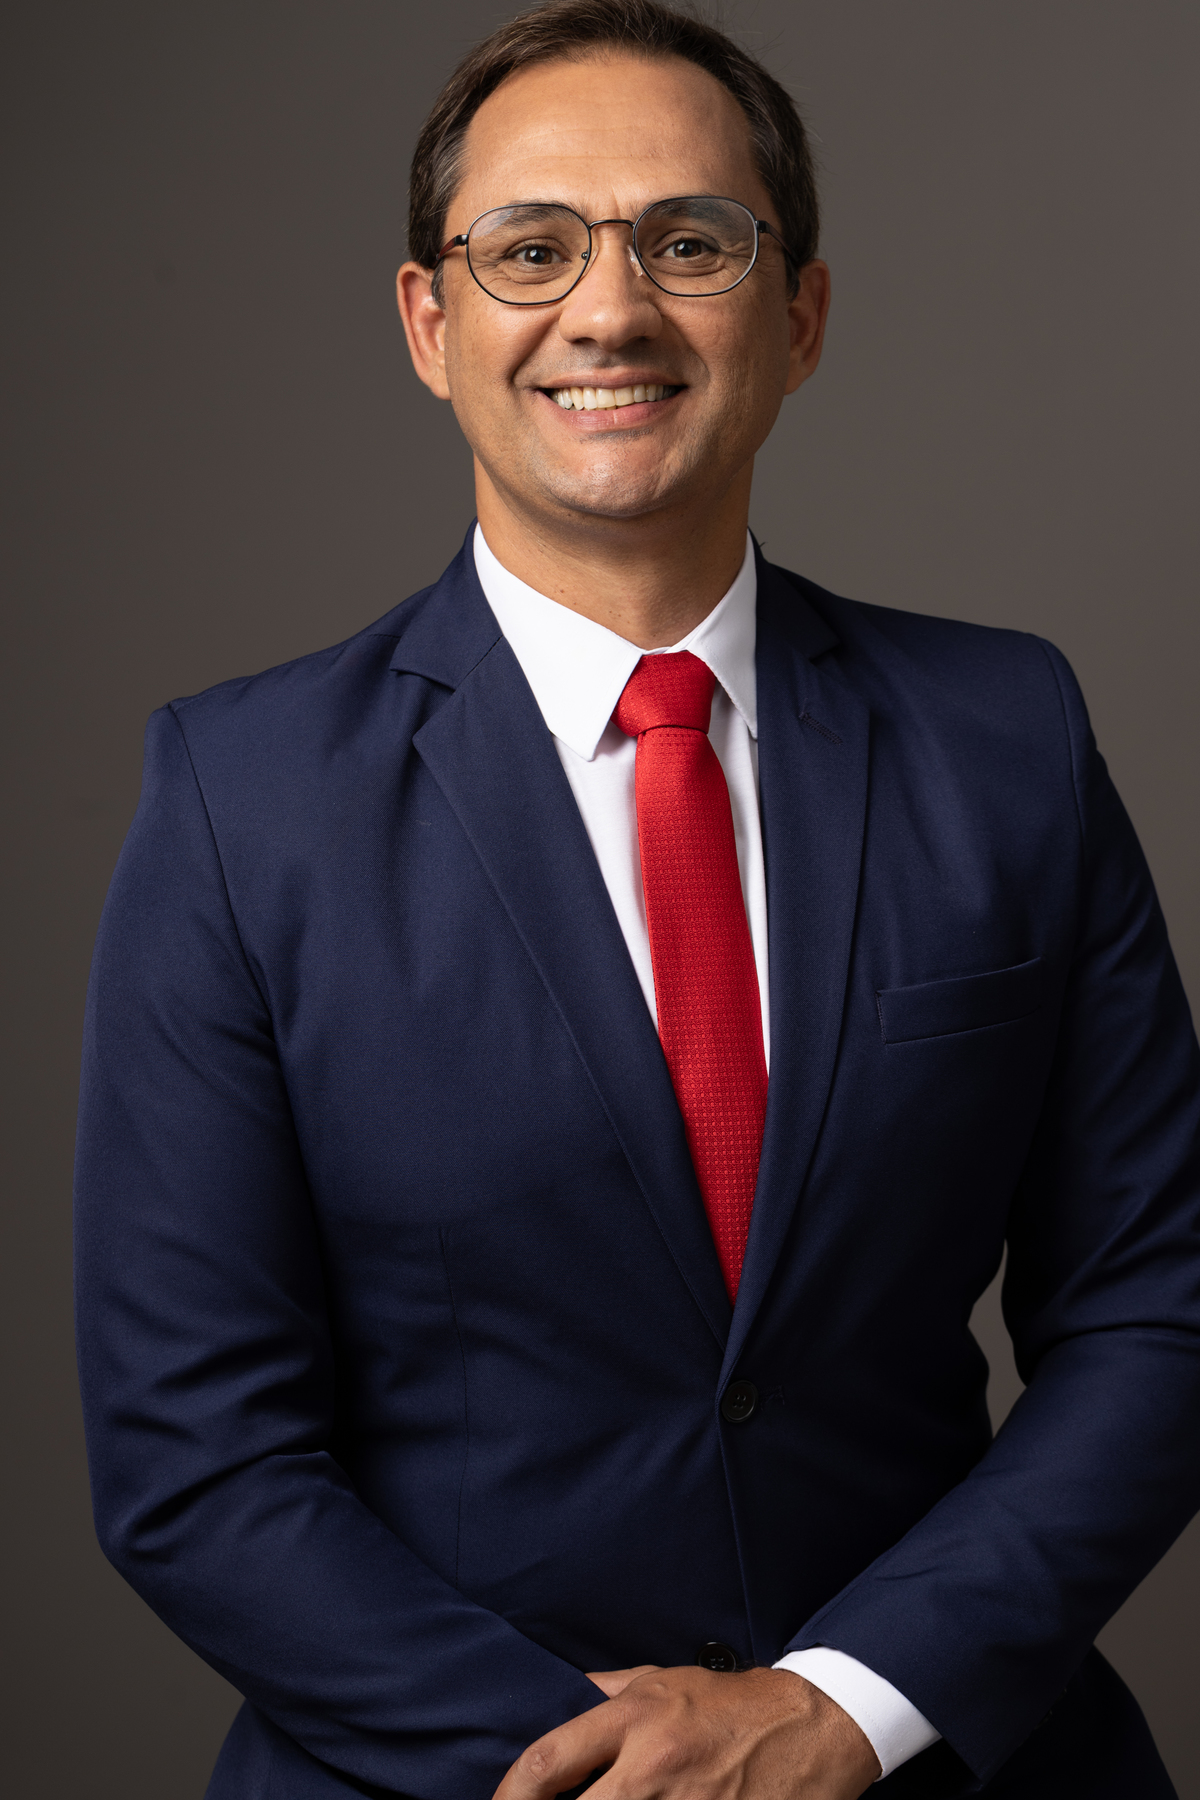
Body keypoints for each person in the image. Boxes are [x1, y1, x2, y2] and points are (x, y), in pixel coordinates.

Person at [73, 3, 1200, 1796]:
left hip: (946, 1756)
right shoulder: (240, 800)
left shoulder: (1009, 740)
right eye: (531, 251)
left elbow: (1160, 1306)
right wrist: (609, 1770)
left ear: (799, 316)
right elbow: (192, 1455)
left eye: (691, 243)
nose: (610, 312)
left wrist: (842, 1708)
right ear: (430, 325)